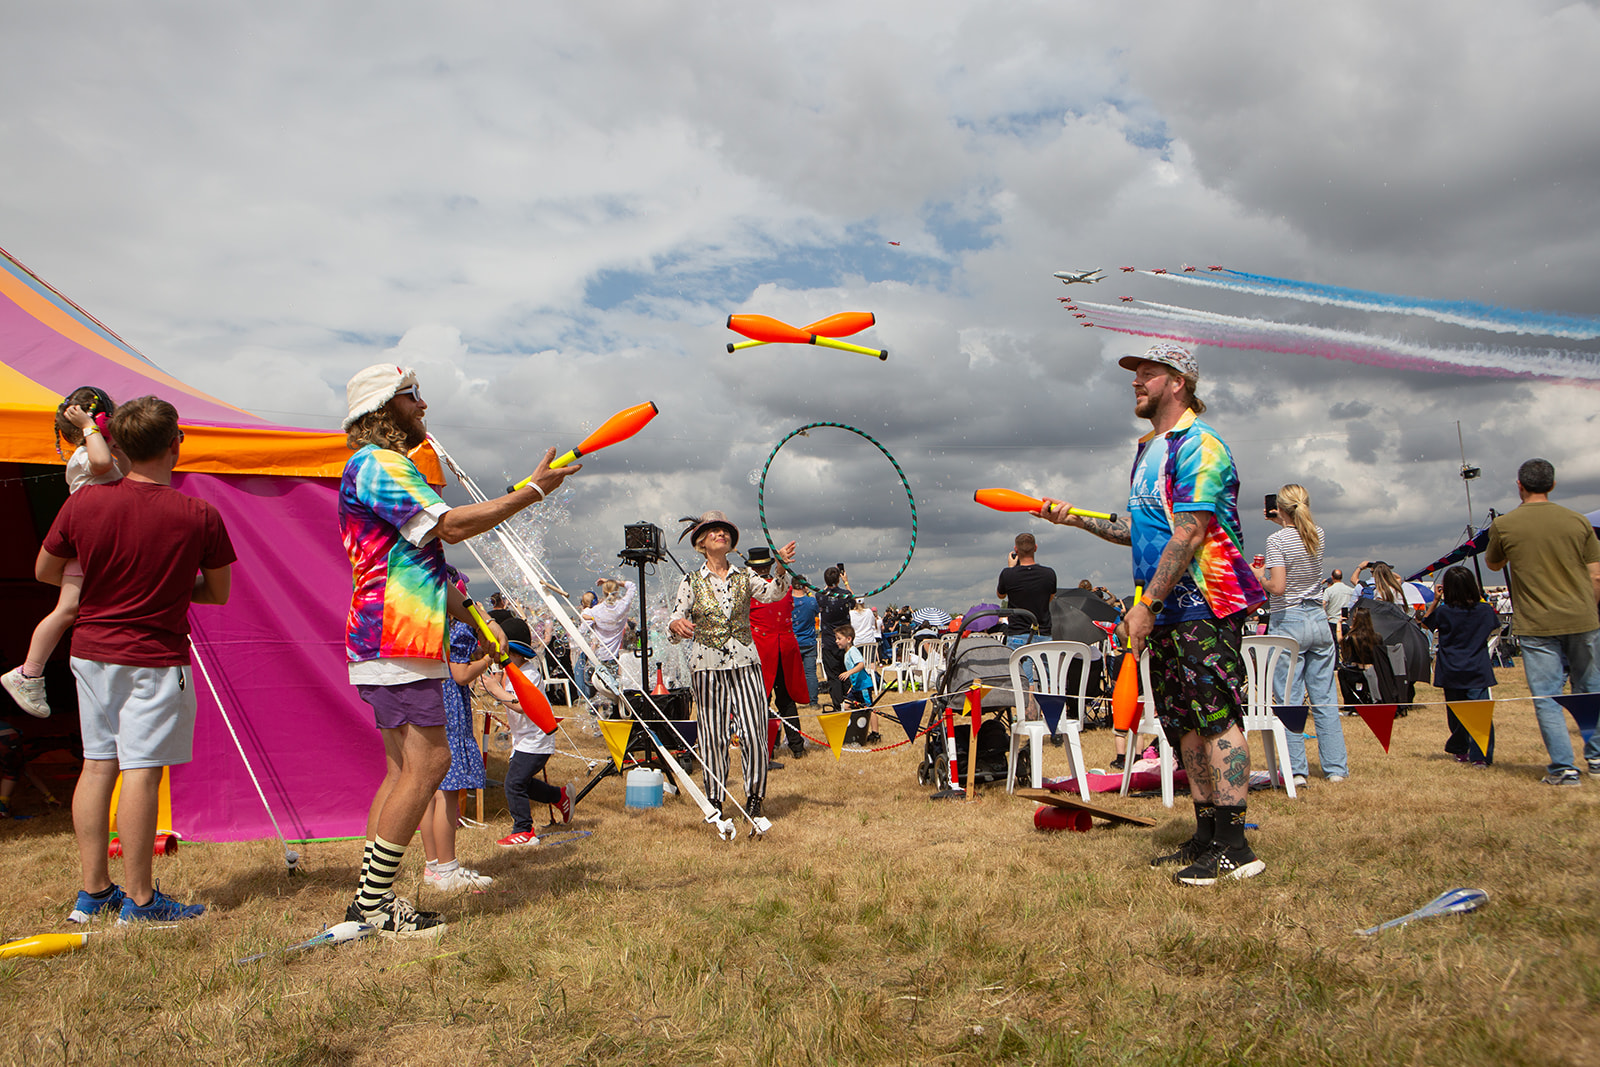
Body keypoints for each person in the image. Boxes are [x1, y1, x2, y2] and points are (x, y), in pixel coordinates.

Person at [338, 364, 578, 936]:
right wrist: (530, 493)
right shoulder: (380, 462)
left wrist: (478, 621)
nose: (423, 405)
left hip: (388, 636)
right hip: (397, 637)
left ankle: (369, 898)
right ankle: (372, 905)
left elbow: (425, 565)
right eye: (411, 395)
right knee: (430, 764)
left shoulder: (375, 466)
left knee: (402, 770)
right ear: (382, 409)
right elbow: (449, 527)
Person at [1034, 341, 1267, 886]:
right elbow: (1140, 529)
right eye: (1135, 374)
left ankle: (1236, 847)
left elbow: (1188, 535)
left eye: (1147, 373)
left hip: (1205, 602)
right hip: (1165, 611)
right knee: (1183, 723)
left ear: (1178, 382)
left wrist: (1146, 605)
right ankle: (1206, 834)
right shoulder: (1148, 449)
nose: (1136, 382)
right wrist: (1077, 520)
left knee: (1216, 718)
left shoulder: (1200, 445)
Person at [37, 396, 235, 924]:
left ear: (119, 445)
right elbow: (217, 593)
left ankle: (94, 891)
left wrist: (105, 584)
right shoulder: (199, 514)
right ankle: (141, 900)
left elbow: (45, 571)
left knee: (97, 764)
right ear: (175, 444)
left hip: (90, 651)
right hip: (153, 656)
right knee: (141, 773)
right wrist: (165, 587)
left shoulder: (84, 502)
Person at [667, 511, 796, 824]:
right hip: (707, 668)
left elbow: (773, 593)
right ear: (701, 543)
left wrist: (781, 568)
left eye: (724, 530)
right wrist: (676, 625)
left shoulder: (744, 576)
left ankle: (755, 799)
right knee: (713, 737)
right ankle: (715, 800)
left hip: (745, 664)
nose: (720, 534)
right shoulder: (691, 581)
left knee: (754, 733)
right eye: (713, 531)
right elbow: (675, 618)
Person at [3, 388, 124, 720]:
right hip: (89, 545)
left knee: (74, 608)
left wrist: (116, 443)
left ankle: (30, 672)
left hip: (98, 545)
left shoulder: (103, 453)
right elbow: (103, 463)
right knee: (67, 609)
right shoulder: (86, 455)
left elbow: (124, 473)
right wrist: (90, 428)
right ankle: (28, 673)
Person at [1485, 458, 1600, 786]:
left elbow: (1493, 564)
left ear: (1519, 486)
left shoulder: (1505, 525)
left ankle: (1564, 768)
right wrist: (1588, 609)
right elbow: (1596, 575)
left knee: (1547, 696)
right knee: (1590, 689)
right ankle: (1596, 758)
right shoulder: (1578, 521)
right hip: (1583, 617)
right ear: (1553, 485)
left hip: (1537, 623)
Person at [1250, 484, 1348, 786]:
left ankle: (1296, 771)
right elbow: (1298, 537)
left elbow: (1278, 587)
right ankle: (1336, 769)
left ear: (1279, 508)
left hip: (1289, 619)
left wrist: (1260, 577)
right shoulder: (1317, 533)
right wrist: (1281, 520)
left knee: (1289, 700)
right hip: (1317, 618)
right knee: (1325, 699)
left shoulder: (1276, 540)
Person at [417, 573, 495, 892]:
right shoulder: (459, 623)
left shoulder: (423, 615)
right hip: (451, 705)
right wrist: (487, 658)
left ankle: (433, 865)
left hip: (426, 697)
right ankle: (448, 867)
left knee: (428, 790)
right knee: (448, 791)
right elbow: (460, 674)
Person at [483, 617, 574, 846]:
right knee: (522, 783)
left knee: (513, 784)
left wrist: (495, 690)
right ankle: (559, 796)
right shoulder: (513, 671)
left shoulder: (528, 674)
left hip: (536, 740)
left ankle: (523, 830)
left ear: (512, 651)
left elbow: (522, 705)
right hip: (524, 739)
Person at [1419, 565, 1499, 766]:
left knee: (1456, 713)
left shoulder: (1444, 612)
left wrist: (1435, 601)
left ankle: (1461, 748)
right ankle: (1480, 756)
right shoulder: (1484, 610)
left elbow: (1425, 624)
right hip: (1476, 667)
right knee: (1480, 714)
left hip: (1451, 667)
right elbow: (1493, 626)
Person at [746, 546, 810, 759]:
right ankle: (797, 747)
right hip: (785, 649)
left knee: (762, 701)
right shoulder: (785, 589)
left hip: (763, 650)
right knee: (786, 700)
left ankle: (767, 748)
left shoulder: (751, 592)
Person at [998, 533, 1057, 698]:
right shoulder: (1049, 574)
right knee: (1049, 680)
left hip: (1018, 633)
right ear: (1035, 548)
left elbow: (1001, 595)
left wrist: (1011, 568)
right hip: (1043, 632)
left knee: (1024, 681)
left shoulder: (1008, 574)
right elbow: (1050, 598)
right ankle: (1050, 711)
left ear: (1015, 550)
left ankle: (1027, 711)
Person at [585, 578, 637, 698]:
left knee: (600, 692)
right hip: (615, 656)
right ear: (617, 591)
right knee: (615, 692)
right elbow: (632, 586)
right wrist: (612, 582)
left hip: (599, 656)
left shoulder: (596, 610)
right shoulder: (622, 606)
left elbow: (583, 615)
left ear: (603, 592)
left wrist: (592, 619)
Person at [816, 566, 854, 709]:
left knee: (833, 676)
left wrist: (828, 586)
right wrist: (846, 583)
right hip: (845, 641)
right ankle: (849, 702)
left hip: (829, 641)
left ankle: (838, 705)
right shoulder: (845, 595)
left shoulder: (821, 596)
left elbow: (822, 595)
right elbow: (853, 602)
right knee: (847, 673)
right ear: (838, 579)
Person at [835, 624, 876, 712]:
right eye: (836, 639)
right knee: (846, 706)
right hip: (855, 687)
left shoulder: (853, 651)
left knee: (868, 710)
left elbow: (861, 665)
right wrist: (852, 686)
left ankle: (872, 722)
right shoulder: (847, 653)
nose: (836, 641)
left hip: (863, 686)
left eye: (839, 638)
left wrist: (848, 672)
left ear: (849, 639)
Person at [791, 585, 819, 706]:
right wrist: (808, 593)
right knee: (810, 673)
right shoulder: (811, 601)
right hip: (809, 641)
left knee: (791, 674)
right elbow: (817, 610)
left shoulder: (789, 601)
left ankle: (791, 701)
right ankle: (813, 701)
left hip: (793, 641)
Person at [1324, 568, 1355, 643]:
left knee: (1335, 645)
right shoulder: (1350, 590)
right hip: (1346, 622)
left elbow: (1323, 603)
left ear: (1332, 577)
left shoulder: (1329, 590)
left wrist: (1325, 615)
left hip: (1333, 621)